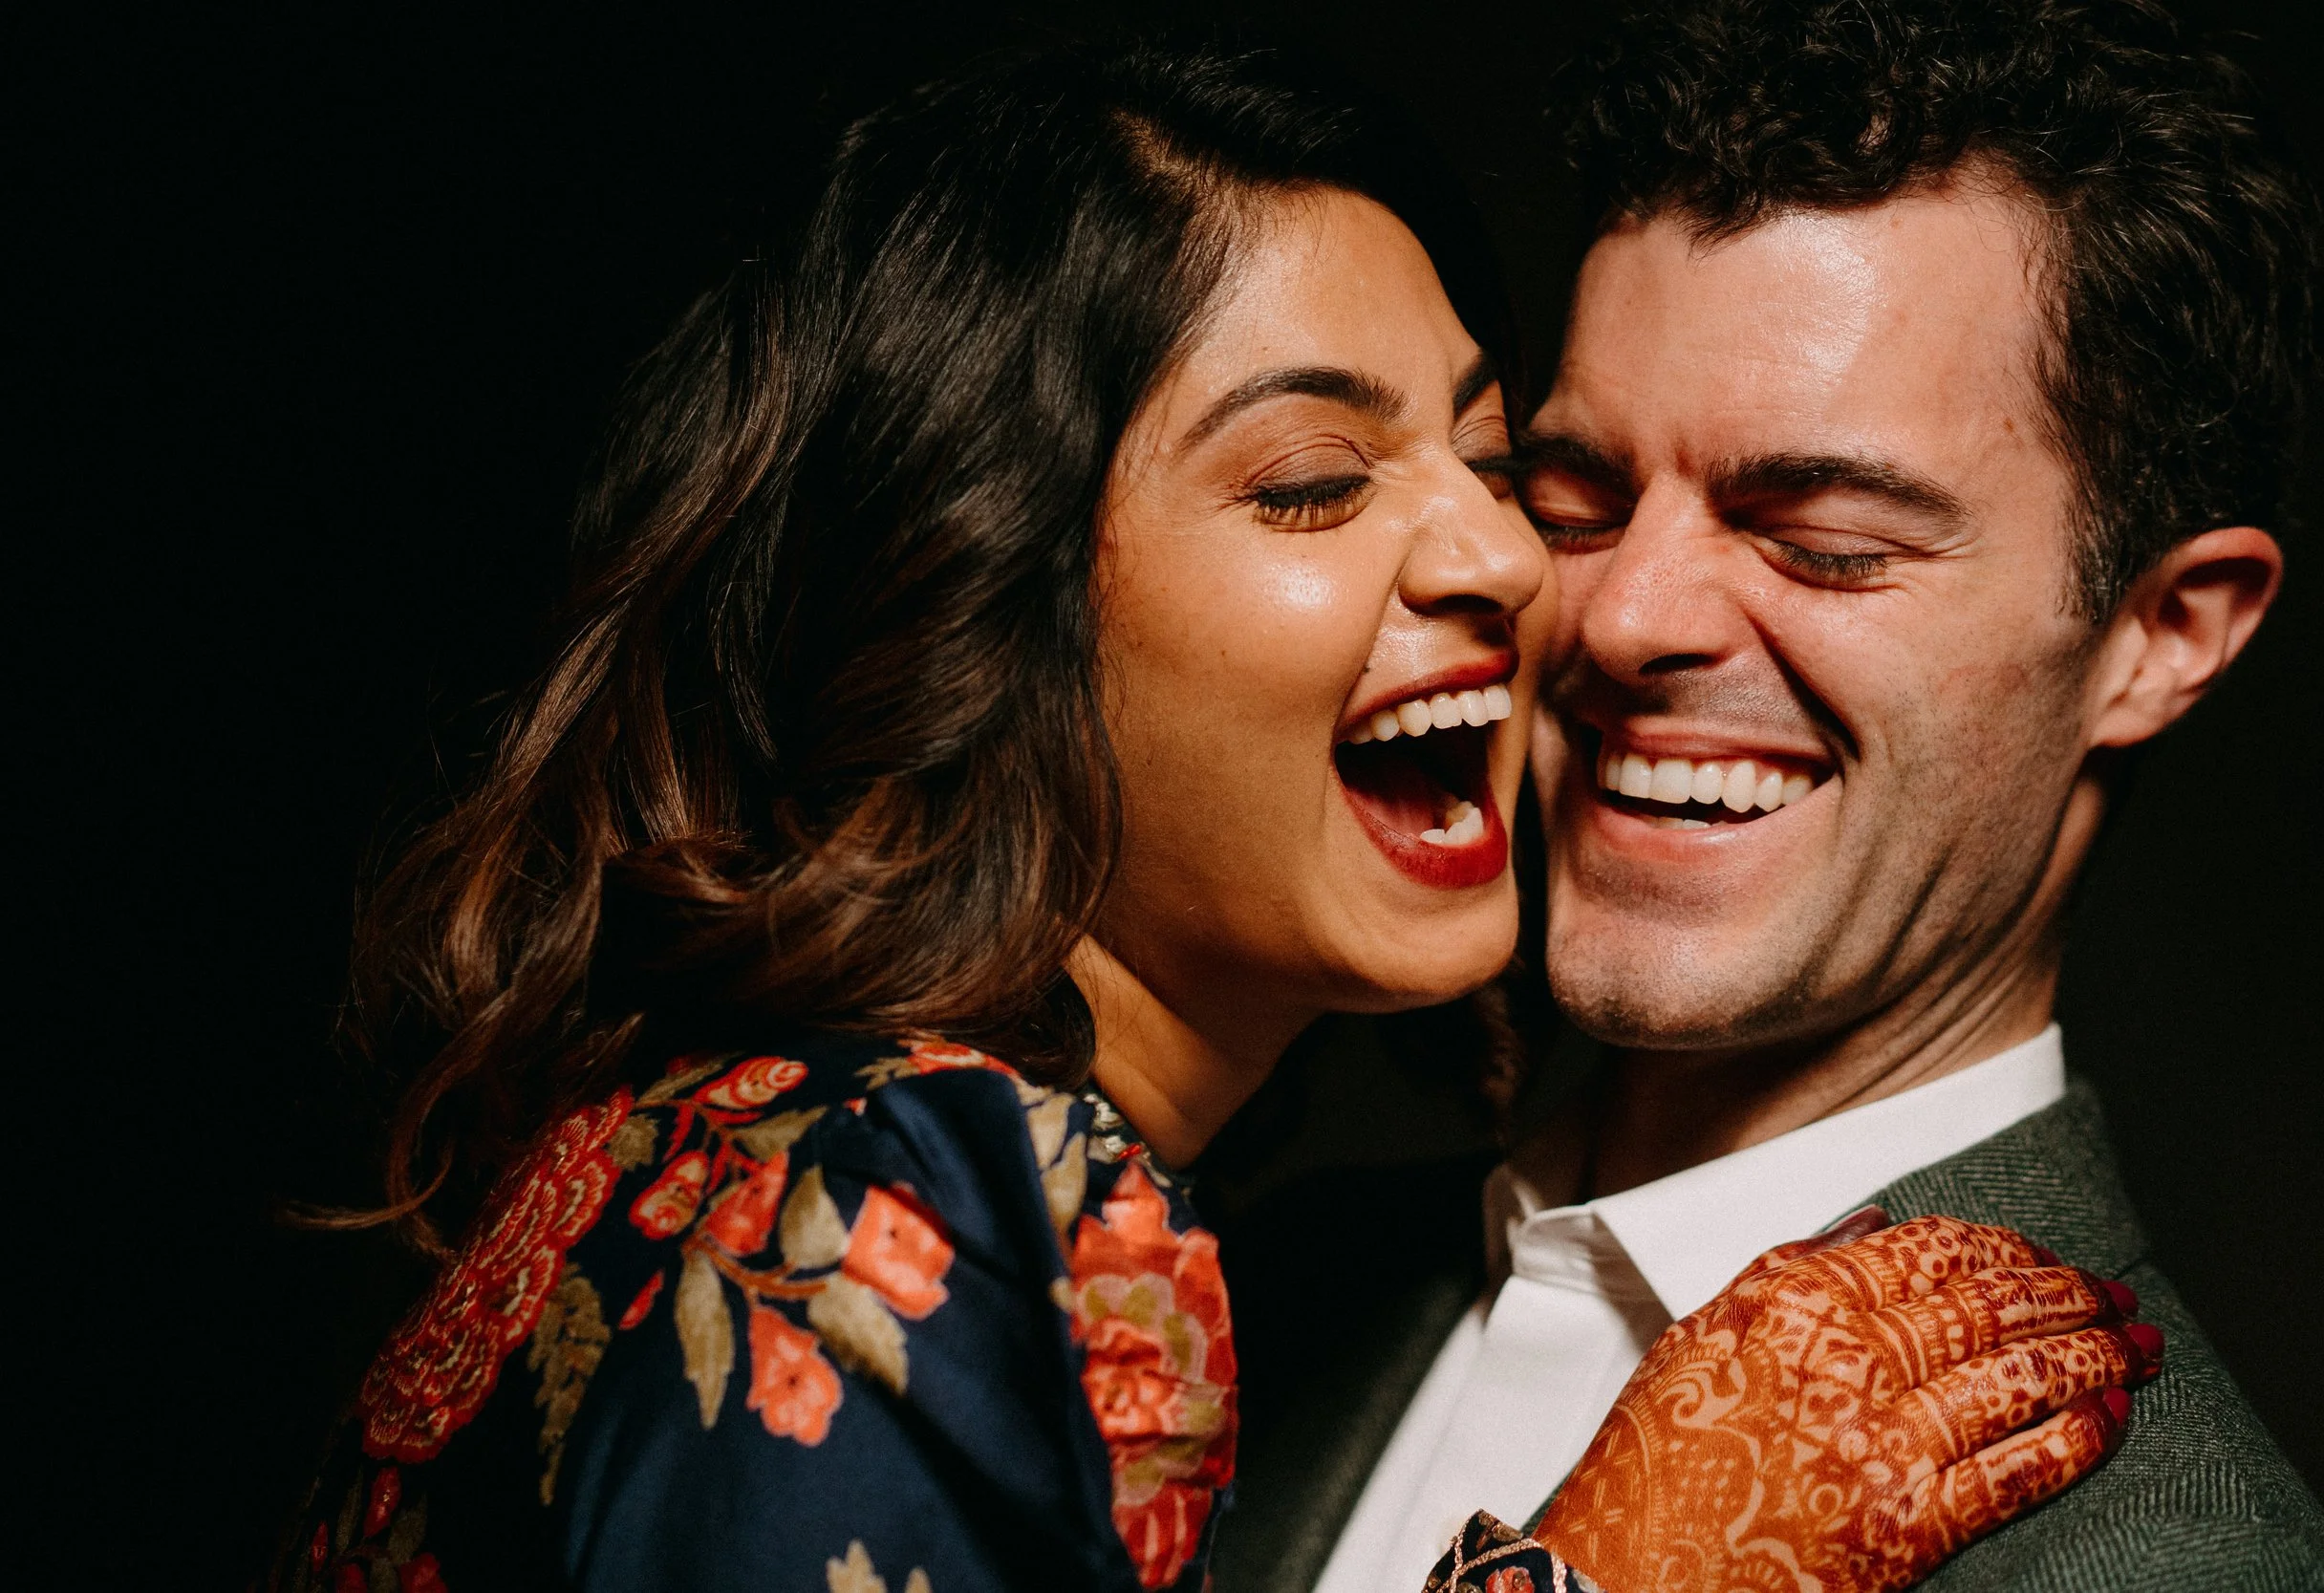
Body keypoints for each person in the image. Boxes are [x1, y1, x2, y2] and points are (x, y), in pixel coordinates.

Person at [271, 38, 2156, 1593]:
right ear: (983, 605)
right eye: (1315, 483)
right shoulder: (903, 1203)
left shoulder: (756, 1139)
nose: (1515, 561)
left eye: (1496, 462)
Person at [1217, 3, 2324, 1591]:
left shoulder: (2179, 1564)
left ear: (2161, 634)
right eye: (1573, 500)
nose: (1624, 619)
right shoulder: (1268, 1279)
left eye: (1825, 540)